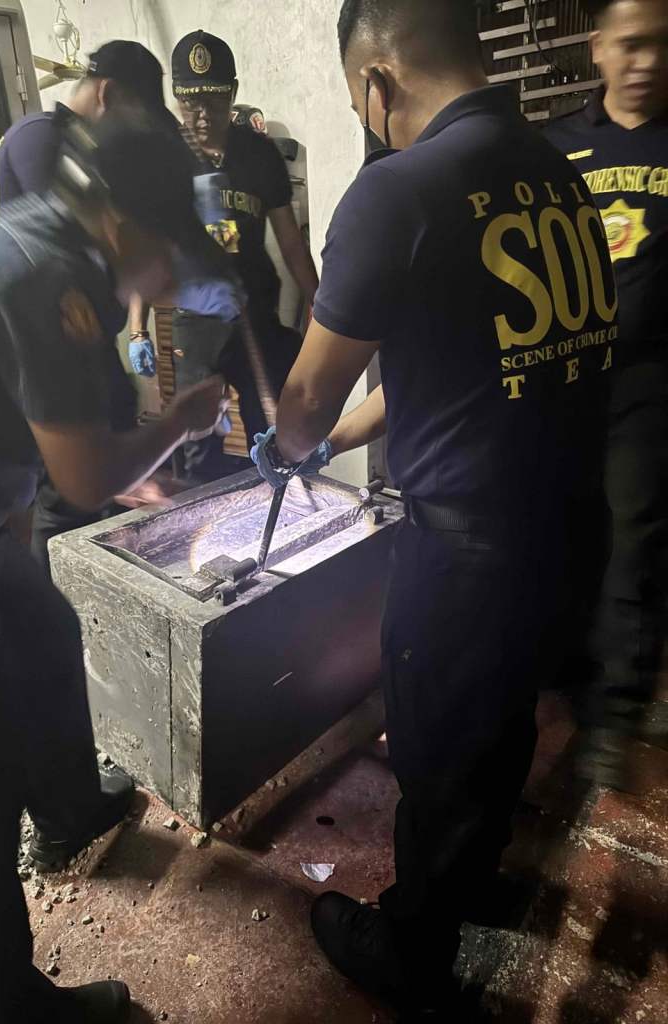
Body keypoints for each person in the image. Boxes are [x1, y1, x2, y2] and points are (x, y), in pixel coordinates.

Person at [252, 0, 617, 1017]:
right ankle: (473, 879)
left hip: (468, 560)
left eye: (356, 102)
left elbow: (306, 395)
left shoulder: (396, 192)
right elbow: (462, 371)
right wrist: (339, 440)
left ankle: (413, 945)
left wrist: (291, 435)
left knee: (434, 747)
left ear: (376, 82)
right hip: (567, 531)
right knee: (500, 730)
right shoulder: (558, 172)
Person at [0, 113, 229, 1024]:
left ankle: (69, 807)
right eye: (169, 252)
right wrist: (183, 422)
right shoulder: (50, 278)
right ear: (124, 224)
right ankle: (0, 1009)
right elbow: (84, 479)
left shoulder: (51, 237)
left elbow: (33, 425)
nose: (170, 276)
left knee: (43, 630)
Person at [0, 40, 178, 571]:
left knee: (95, 502)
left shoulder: (80, 151)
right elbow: (71, 273)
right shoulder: (40, 141)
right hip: (42, 360)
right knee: (64, 503)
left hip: (76, 350)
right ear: (108, 95)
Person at [545, 0, 668, 784]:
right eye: (631, 44)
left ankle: (615, 717)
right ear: (597, 48)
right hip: (564, 379)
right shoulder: (555, 146)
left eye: (661, 46)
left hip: (650, 381)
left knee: (634, 539)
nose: (646, 61)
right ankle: (568, 680)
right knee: (566, 532)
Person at [132, 29, 320, 486]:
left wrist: (320, 303)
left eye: (213, 102)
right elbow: (145, 248)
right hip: (195, 319)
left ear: (232, 94)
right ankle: (205, 521)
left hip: (255, 309)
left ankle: (273, 510)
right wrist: (138, 329)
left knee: (271, 432)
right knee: (199, 446)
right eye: (190, 103)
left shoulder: (259, 154)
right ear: (176, 98)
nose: (201, 115)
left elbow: (290, 241)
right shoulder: (165, 159)